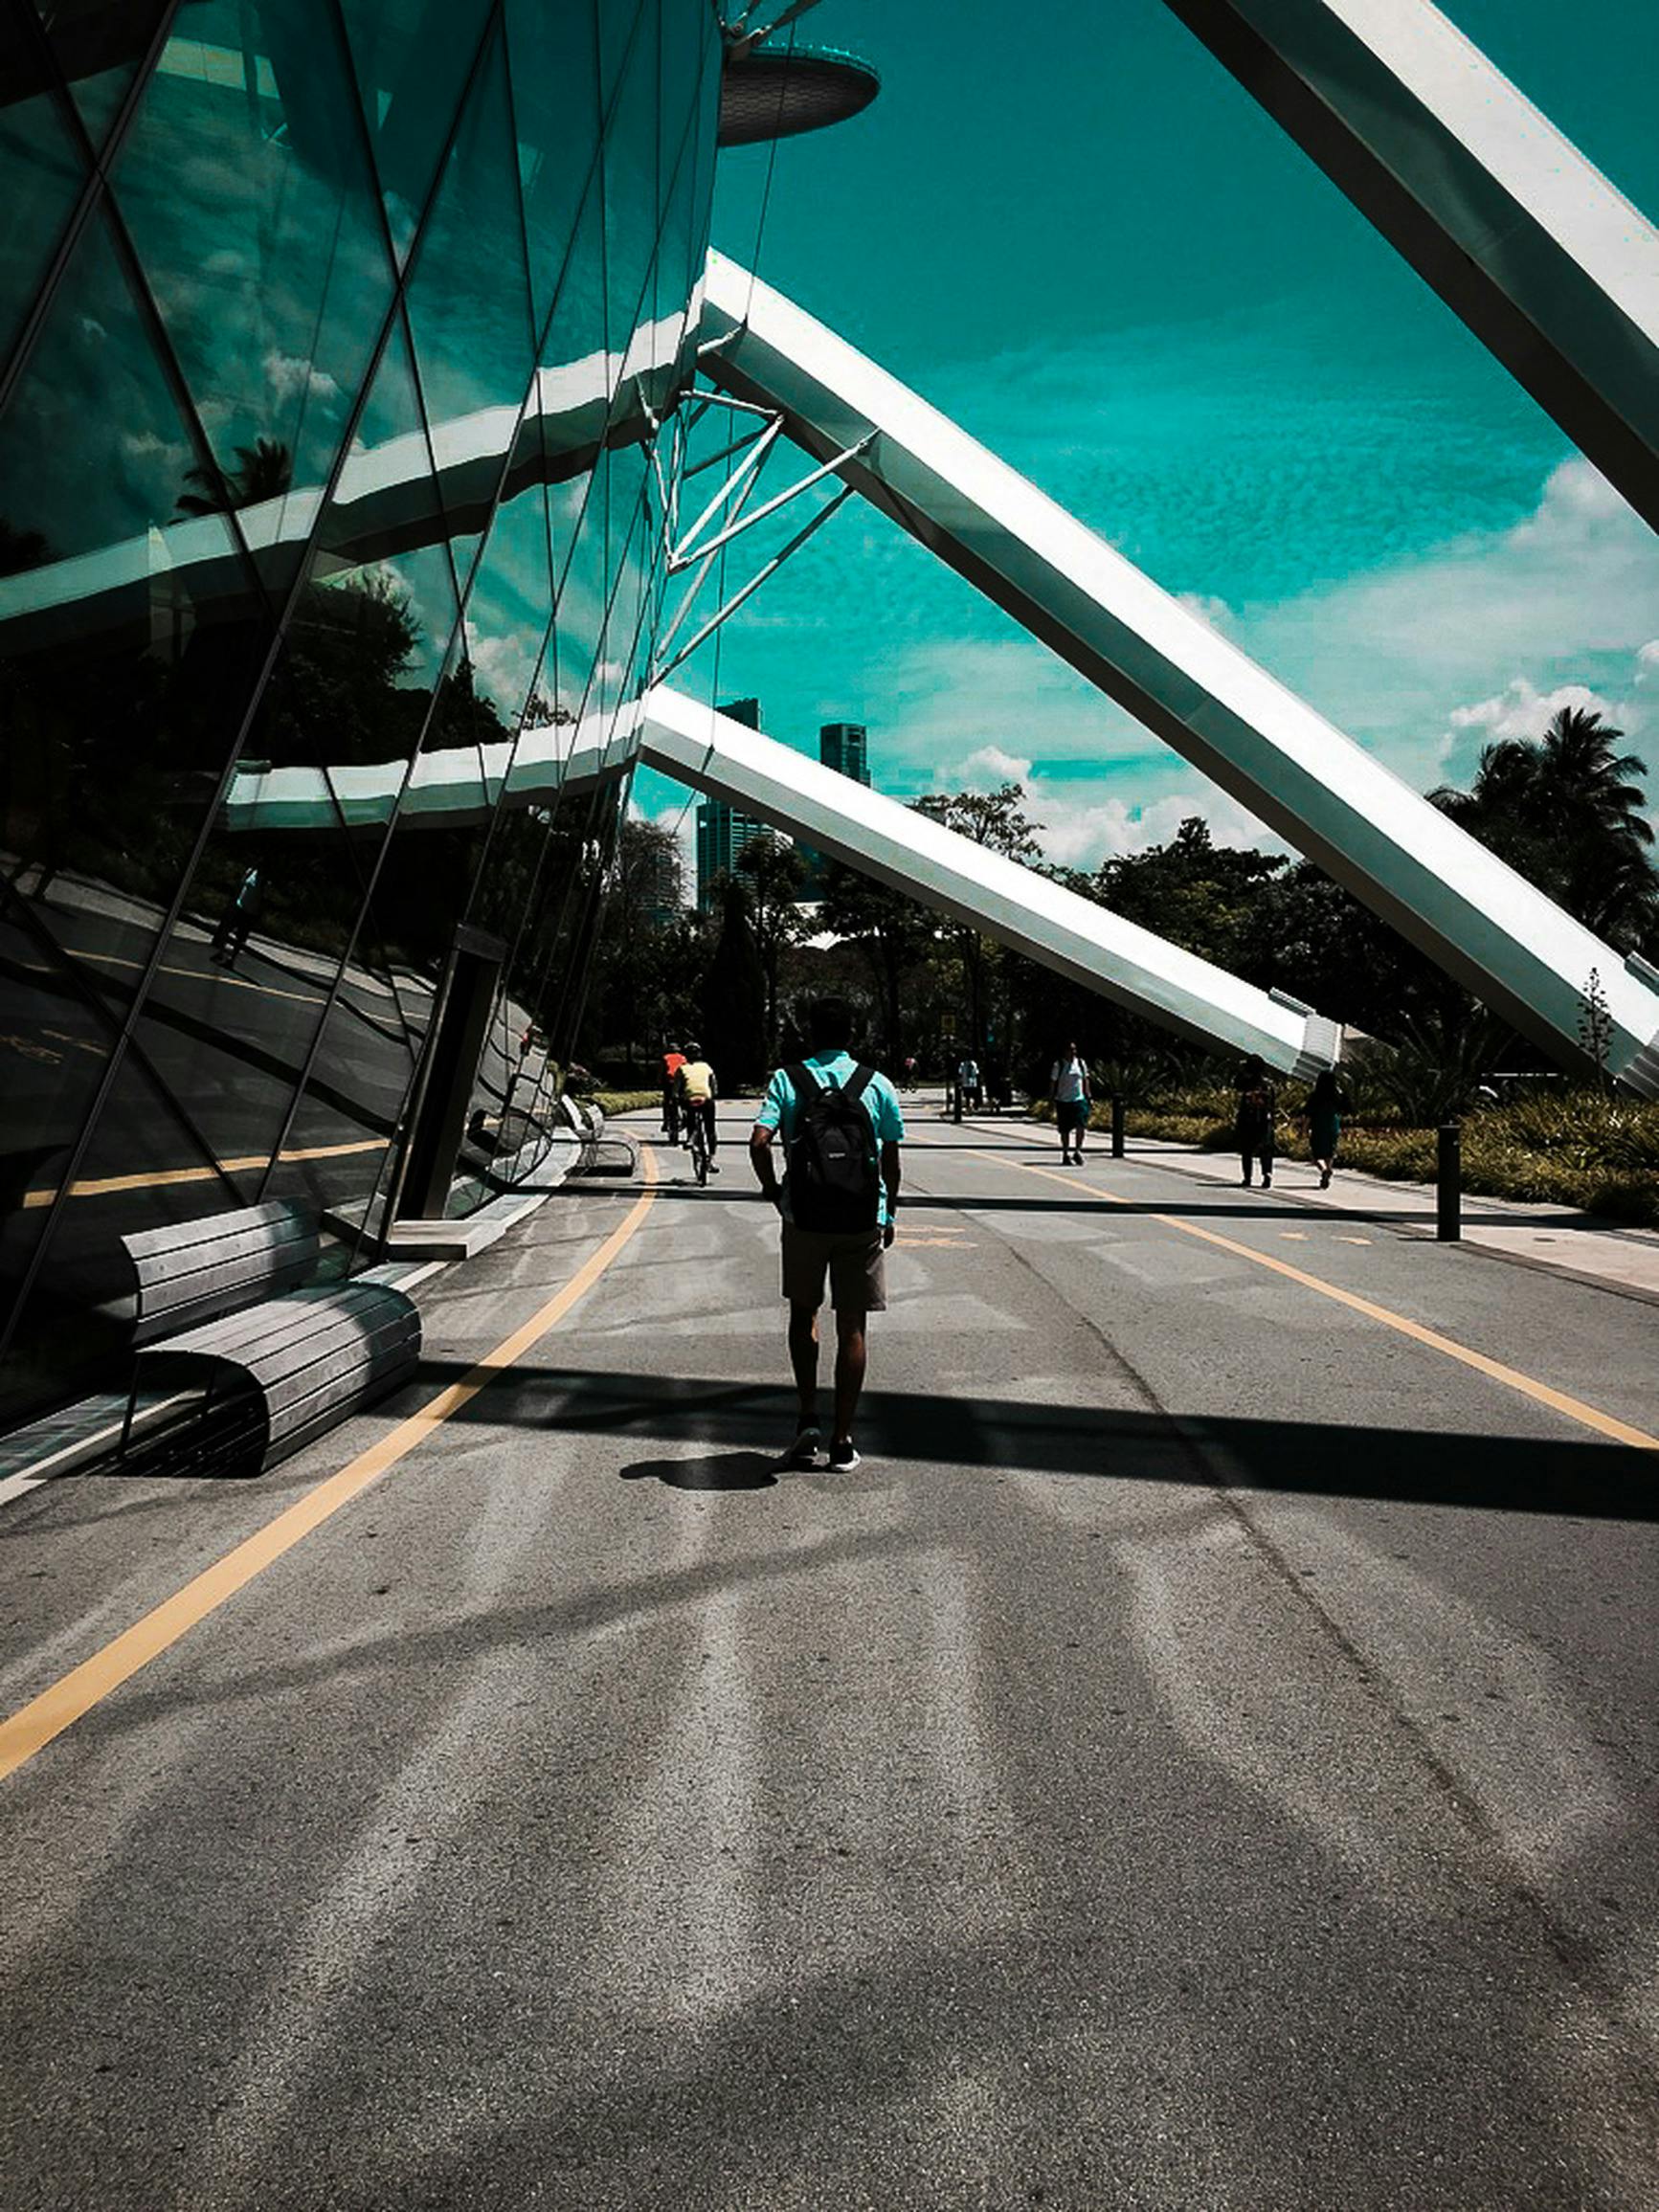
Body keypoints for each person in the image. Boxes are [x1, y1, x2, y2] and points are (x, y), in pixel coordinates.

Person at [750, 995, 905, 1472]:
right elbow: (893, 1160)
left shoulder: (787, 1079)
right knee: (852, 1325)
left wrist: (776, 1191)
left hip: (805, 1218)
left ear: (809, 1033)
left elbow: (759, 1141)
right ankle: (842, 1440)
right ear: (852, 1034)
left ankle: (806, 1420)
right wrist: (889, 1212)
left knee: (804, 1314)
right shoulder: (875, 1084)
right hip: (861, 1220)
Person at [676, 1039, 719, 1172]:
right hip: (706, 1100)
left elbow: (675, 1090)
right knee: (710, 1130)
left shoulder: (682, 1069)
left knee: (688, 1114)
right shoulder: (707, 1067)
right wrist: (712, 1095)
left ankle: (690, 1136)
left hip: (690, 1100)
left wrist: (676, 1099)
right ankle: (711, 1159)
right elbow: (714, 1087)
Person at [210, 864, 263, 969]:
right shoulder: (251, 871)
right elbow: (242, 884)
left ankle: (231, 960)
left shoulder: (264, 881)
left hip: (250, 912)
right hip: (239, 906)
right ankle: (221, 952)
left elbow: (263, 898)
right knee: (227, 930)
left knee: (240, 938)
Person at [1236, 1055, 1277, 1188]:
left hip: (1247, 1120)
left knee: (1247, 1150)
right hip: (1265, 1120)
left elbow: (1236, 1084)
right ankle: (1267, 1173)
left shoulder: (1245, 1083)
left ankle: (1247, 1177)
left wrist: (1241, 1071)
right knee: (1266, 1149)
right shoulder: (1268, 1085)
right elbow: (1273, 1104)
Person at [1050, 1041, 1091, 1164]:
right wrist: (1051, 1098)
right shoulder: (1059, 1065)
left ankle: (1077, 1151)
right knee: (1065, 1130)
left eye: (1074, 1050)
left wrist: (1088, 1095)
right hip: (1063, 1101)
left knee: (1081, 1126)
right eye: (1070, 1050)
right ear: (1065, 1051)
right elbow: (1053, 1082)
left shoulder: (1080, 1063)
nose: (1073, 1052)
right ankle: (1065, 1153)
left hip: (1078, 1099)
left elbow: (1085, 1079)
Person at [1306, 1067, 1347, 1189]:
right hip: (1333, 1124)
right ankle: (1328, 1170)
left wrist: (1304, 1128)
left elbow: (1309, 1113)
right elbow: (1345, 1107)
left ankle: (1324, 1170)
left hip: (1319, 1125)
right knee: (1330, 1151)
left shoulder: (1316, 1095)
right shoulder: (1337, 1095)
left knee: (1316, 1154)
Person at [661, 1039, 686, 1142]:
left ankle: (666, 1122)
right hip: (681, 1083)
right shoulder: (683, 1058)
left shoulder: (665, 1058)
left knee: (667, 1102)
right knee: (684, 1102)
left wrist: (658, 1082)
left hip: (669, 1083)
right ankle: (684, 1118)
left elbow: (662, 1072)